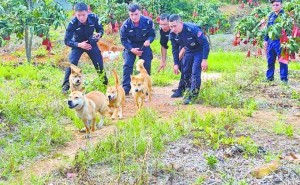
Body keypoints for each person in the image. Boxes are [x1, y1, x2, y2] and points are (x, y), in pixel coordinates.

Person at [62, 2, 108, 94]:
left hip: (91, 43)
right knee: (72, 63)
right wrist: (79, 45)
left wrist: (99, 35)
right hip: (78, 44)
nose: (81, 17)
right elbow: (67, 40)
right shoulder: (72, 23)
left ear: (88, 12)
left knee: (99, 63)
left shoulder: (94, 18)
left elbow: (100, 29)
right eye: (79, 15)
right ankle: (65, 86)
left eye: (83, 15)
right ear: (75, 14)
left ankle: (105, 85)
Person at [169, 14, 210, 104]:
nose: (173, 29)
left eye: (175, 26)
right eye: (171, 26)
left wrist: (204, 59)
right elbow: (175, 49)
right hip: (189, 50)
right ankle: (188, 91)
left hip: (199, 51)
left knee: (195, 71)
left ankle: (193, 96)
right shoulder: (172, 34)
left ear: (181, 23)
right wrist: (176, 63)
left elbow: (205, 44)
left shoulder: (192, 29)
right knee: (186, 71)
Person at [120, 3, 155, 95]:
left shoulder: (148, 22)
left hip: (144, 44)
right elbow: (123, 40)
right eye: (131, 15)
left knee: (146, 64)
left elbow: (152, 35)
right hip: (130, 46)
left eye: (136, 14)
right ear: (129, 14)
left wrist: (149, 40)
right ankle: (126, 88)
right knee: (127, 65)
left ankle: (145, 87)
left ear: (140, 12)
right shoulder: (125, 25)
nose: (134, 17)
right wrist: (131, 49)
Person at [157, 13, 186, 98]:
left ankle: (181, 89)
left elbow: (185, 46)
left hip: (186, 47)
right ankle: (186, 86)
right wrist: (163, 61)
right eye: (161, 24)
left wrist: (176, 61)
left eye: (165, 24)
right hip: (177, 47)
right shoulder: (162, 30)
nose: (163, 27)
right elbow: (163, 45)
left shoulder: (176, 28)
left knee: (183, 65)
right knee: (180, 66)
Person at [263, 0, 288, 84]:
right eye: (273, 5)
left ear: (281, 5)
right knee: (270, 59)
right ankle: (269, 77)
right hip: (271, 41)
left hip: (281, 41)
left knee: (282, 60)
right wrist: (265, 40)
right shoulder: (271, 16)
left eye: (277, 5)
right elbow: (268, 29)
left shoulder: (285, 16)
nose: (275, 6)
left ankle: (284, 79)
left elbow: (289, 30)